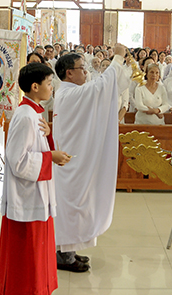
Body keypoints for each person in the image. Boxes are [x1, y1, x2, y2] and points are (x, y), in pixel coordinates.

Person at [0, 63, 71, 295]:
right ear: (35, 86)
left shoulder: (34, 112)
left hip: (36, 192)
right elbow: (17, 160)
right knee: (27, 251)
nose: (52, 87)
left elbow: (35, 147)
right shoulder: (26, 116)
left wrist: (49, 141)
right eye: (49, 83)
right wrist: (51, 156)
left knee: (34, 250)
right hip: (27, 196)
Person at [52, 43, 130, 272]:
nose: (86, 72)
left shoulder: (70, 92)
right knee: (72, 207)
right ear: (69, 73)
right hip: (71, 164)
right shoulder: (70, 94)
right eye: (82, 68)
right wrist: (117, 58)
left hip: (74, 161)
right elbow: (101, 87)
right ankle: (64, 256)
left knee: (76, 207)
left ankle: (69, 251)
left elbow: (101, 88)